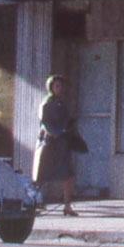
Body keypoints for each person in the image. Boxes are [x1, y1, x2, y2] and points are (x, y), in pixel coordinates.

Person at [32, 74, 78, 216]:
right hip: (49, 143)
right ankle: (31, 203)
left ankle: (67, 206)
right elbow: (45, 123)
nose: (60, 88)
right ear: (50, 87)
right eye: (56, 86)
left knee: (67, 175)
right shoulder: (46, 103)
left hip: (61, 144)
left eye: (60, 86)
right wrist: (57, 133)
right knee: (41, 175)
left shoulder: (60, 103)